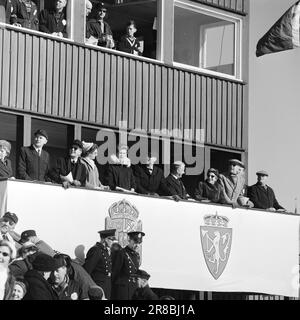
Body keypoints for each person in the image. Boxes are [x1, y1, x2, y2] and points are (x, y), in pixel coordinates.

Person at [83, 229, 116, 300]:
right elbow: (87, 270)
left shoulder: (105, 250)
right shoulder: (96, 250)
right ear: (105, 239)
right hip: (98, 285)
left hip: (107, 284)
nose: (112, 242)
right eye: (111, 239)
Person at [111, 231, 145, 300]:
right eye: (135, 242)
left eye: (139, 243)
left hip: (133, 288)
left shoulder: (136, 255)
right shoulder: (122, 253)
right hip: (122, 289)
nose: (137, 245)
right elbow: (115, 272)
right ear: (129, 240)